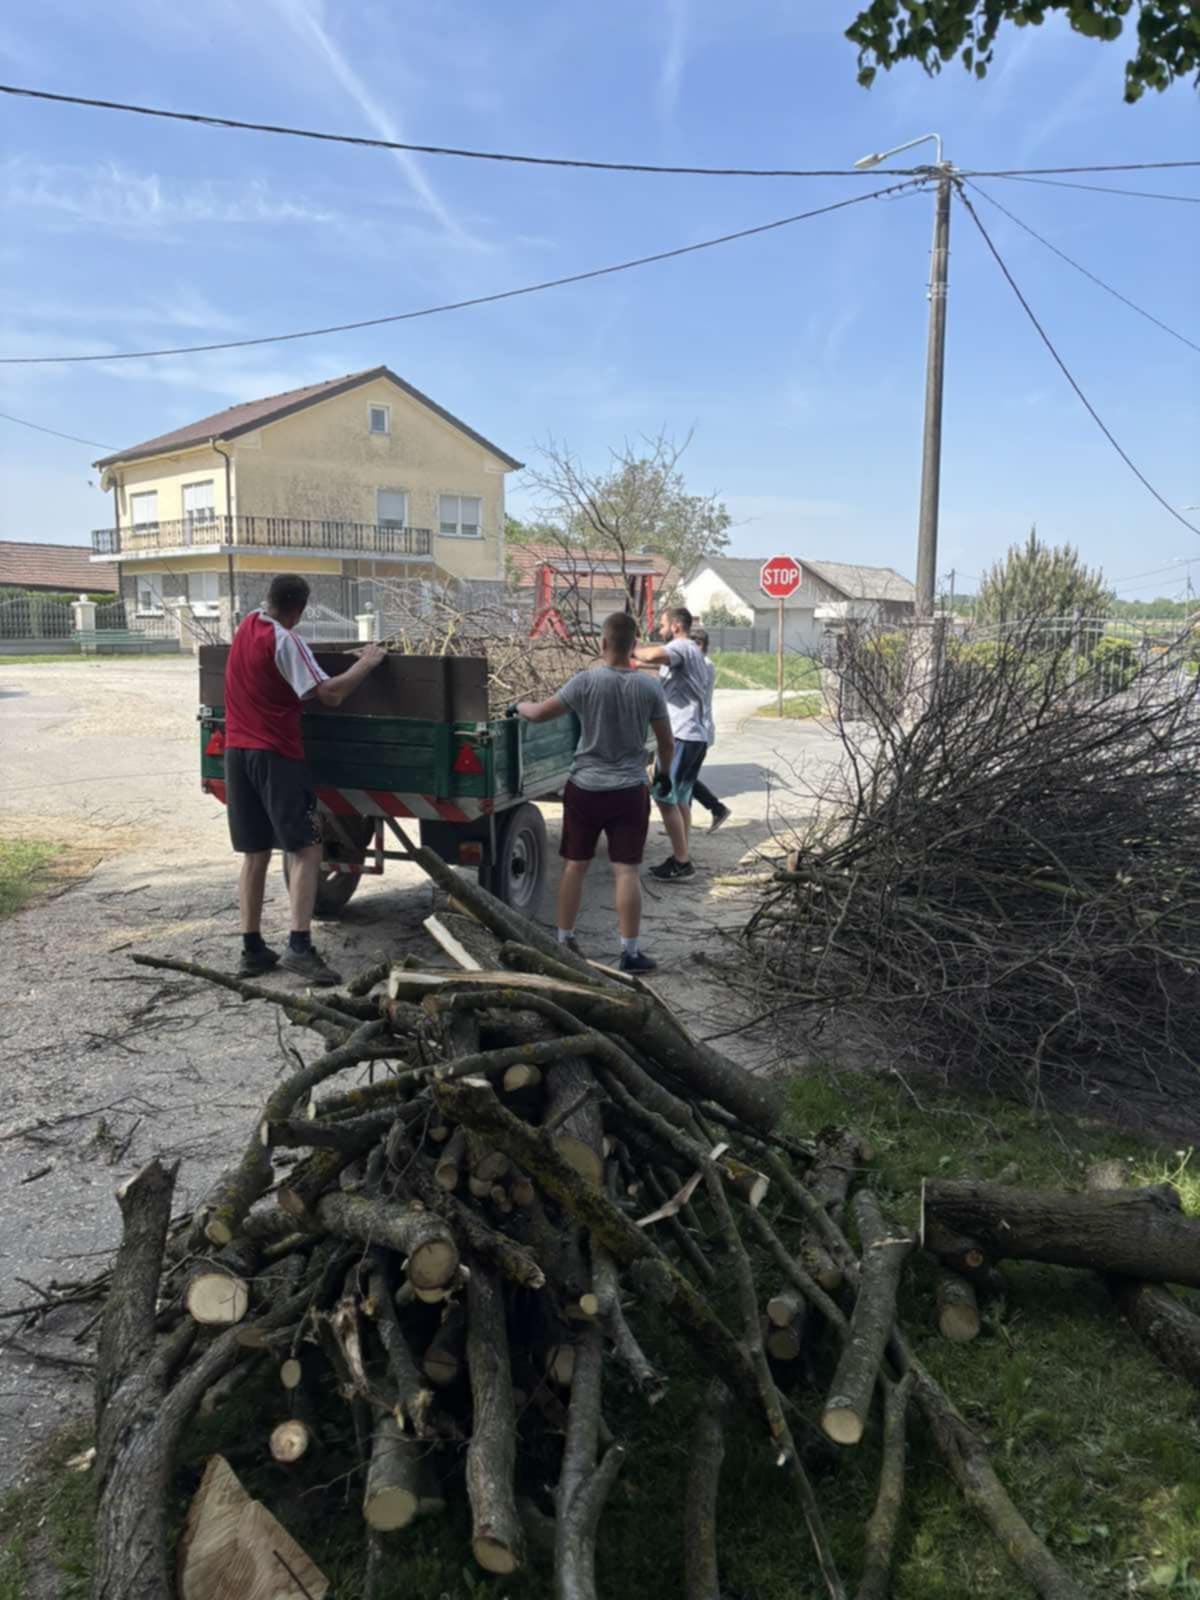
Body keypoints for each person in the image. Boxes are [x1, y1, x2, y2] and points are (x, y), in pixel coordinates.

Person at [223, 573, 386, 985]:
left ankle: (252, 949)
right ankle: (299, 945)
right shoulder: (284, 640)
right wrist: (366, 663)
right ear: (299, 609)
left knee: (255, 853)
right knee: (308, 848)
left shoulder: (247, 626)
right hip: (277, 759)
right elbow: (329, 693)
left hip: (237, 756)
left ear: (269, 598)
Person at [516, 611, 673, 973]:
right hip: (629, 791)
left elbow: (539, 713)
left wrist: (518, 706)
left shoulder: (584, 681)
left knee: (575, 866)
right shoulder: (650, 687)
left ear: (603, 643)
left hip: (584, 788)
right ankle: (630, 953)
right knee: (627, 871)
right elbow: (667, 742)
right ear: (634, 645)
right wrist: (665, 776)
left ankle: (564, 940)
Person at [632, 606, 709, 881]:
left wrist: (632, 648)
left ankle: (682, 862)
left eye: (663, 625)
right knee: (681, 799)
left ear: (676, 626)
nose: (660, 630)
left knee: (663, 796)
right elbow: (660, 663)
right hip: (695, 736)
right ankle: (683, 852)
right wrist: (639, 664)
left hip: (682, 735)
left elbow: (655, 654)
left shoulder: (680, 647)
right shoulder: (691, 652)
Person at [689, 625, 731, 832]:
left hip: (699, 731)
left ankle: (717, 809)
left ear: (702, 646)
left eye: (695, 644)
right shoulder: (700, 664)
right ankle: (714, 810)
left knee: (685, 779)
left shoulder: (704, 665)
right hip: (696, 730)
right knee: (685, 778)